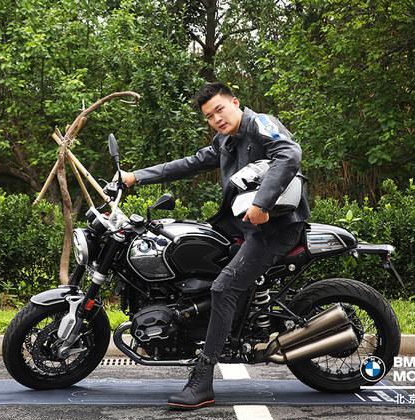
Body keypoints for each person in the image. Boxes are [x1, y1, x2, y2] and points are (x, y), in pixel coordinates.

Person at [118, 82, 310, 410]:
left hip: (274, 229)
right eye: (209, 116)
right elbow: (190, 163)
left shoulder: (261, 124)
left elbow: (289, 154)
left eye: (220, 109)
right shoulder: (225, 141)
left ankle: (203, 381)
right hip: (244, 228)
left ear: (235, 102)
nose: (216, 119)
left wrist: (262, 203)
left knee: (223, 289)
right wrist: (136, 176)